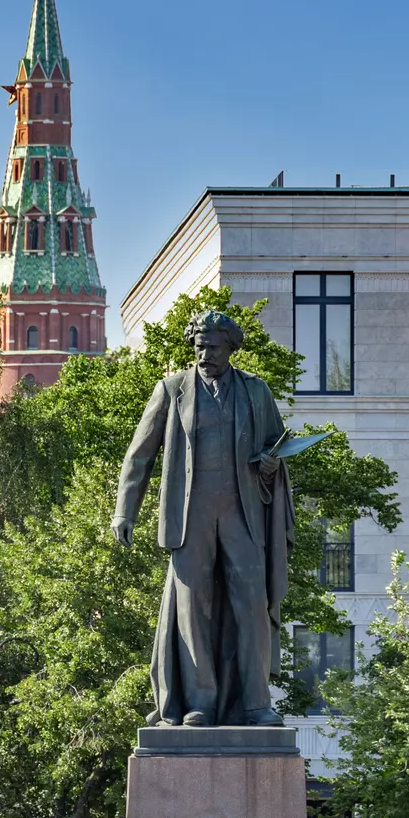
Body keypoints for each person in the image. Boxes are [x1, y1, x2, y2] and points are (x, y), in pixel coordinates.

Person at [112, 310, 292, 726]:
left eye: (212, 346)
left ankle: (256, 704)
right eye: (198, 346)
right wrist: (125, 511)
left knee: (251, 605)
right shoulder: (172, 390)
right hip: (188, 519)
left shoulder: (256, 392)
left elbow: (279, 449)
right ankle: (200, 703)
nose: (204, 353)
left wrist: (269, 464)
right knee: (193, 611)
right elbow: (139, 456)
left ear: (230, 347)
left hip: (242, 515)